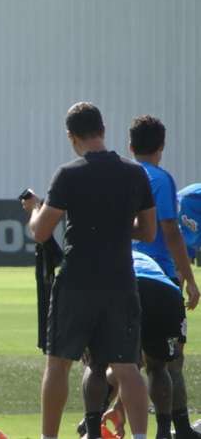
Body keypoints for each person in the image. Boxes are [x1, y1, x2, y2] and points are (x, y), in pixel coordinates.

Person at [21, 102, 155, 439]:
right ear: (103, 130)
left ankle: (48, 437)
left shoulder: (69, 174)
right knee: (127, 367)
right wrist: (119, 227)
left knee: (58, 363)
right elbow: (148, 231)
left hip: (77, 283)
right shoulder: (135, 173)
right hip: (121, 282)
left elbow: (40, 231)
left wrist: (33, 210)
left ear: (71, 136)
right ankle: (140, 436)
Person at [128, 115, 200, 439]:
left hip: (120, 274)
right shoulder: (161, 179)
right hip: (160, 277)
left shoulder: (120, 176)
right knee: (169, 362)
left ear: (130, 146)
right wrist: (191, 279)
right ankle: (174, 430)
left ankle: (94, 424)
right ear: (162, 146)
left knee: (119, 359)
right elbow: (170, 231)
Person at [79, 250, 185, 439]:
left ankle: (92, 431)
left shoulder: (97, 254)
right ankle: (163, 433)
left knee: (96, 363)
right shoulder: (146, 259)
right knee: (158, 367)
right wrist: (120, 407)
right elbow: (132, 368)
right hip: (167, 292)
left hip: (122, 287)